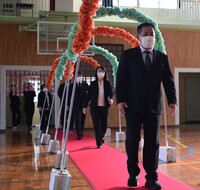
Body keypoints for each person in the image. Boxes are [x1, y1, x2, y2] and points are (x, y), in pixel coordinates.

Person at [116, 22, 177, 190]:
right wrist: (120, 100)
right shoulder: (128, 56)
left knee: (152, 142)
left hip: (153, 107)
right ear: (139, 36)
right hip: (132, 106)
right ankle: (132, 173)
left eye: (152, 33)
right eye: (146, 33)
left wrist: (172, 100)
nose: (150, 36)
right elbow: (120, 80)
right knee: (132, 140)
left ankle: (151, 176)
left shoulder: (162, 57)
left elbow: (168, 81)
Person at [83, 66, 114, 148]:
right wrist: (84, 106)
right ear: (96, 73)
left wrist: (111, 99)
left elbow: (111, 94)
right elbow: (88, 96)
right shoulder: (93, 84)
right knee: (97, 125)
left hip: (104, 107)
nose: (101, 73)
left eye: (102, 71)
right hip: (94, 107)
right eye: (99, 71)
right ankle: (98, 143)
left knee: (104, 125)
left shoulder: (107, 83)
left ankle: (102, 136)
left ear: (104, 73)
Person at [68, 71, 88, 139]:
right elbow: (69, 96)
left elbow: (88, 95)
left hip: (83, 105)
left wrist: (87, 103)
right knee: (77, 120)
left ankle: (81, 131)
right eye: (77, 76)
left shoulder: (85, 85)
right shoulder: (72, 86)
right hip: (75, 105)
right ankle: (78, 133)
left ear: (82, 77)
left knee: (82, 119)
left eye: (80, 76)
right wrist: (68, 105)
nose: (79, 77)